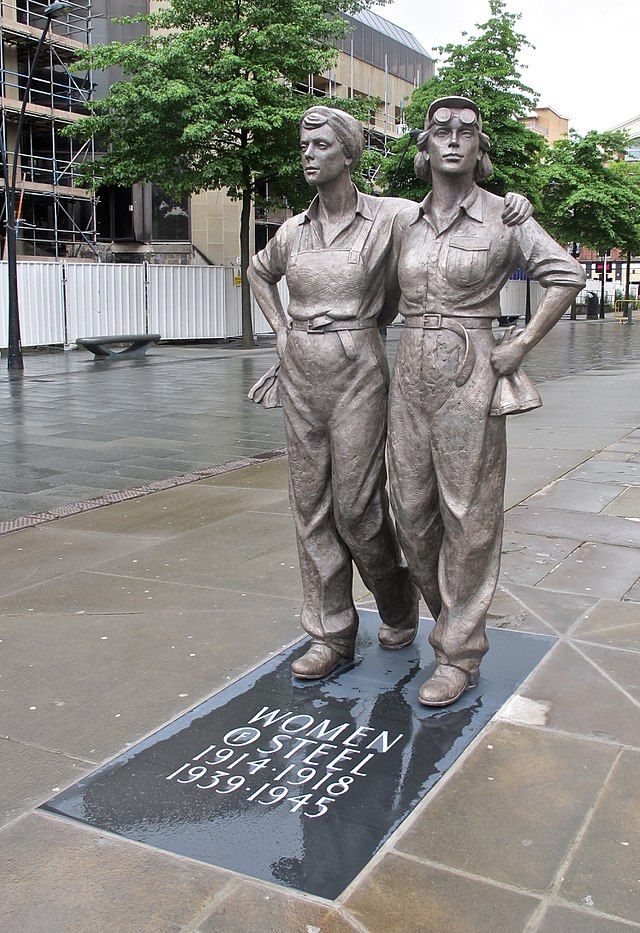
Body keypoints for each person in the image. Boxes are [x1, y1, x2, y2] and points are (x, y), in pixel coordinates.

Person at [248, 105, 532, 681]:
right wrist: (280, 333)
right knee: (309, 509)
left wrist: (513, 205)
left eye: (320, 144)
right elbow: (258, 272)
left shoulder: (393, 218)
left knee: (359, 509)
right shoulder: (292, 230)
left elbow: (448, 218)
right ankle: (330, 631)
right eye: (303, 144)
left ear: (349, 153)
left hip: (361, 371)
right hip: (300, 371)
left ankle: (396, 598)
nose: (307, 153)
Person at [386, 97, 586, 707]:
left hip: (471, 367)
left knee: (468, 518)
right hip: (408, 370)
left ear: (480, 148)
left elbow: (566, 275)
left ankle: (459, 652)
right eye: (440, 131)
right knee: (412, 516)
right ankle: (447, 618)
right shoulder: (401, 220)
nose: (452, 141)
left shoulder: (506, 216)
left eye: (465, 133)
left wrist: (520, 343)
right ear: (424, 146)